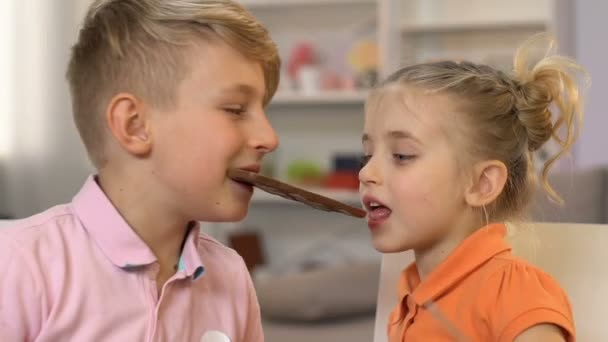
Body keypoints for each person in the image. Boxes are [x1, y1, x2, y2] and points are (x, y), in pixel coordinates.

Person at [0, 1, 280, 341]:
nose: (268, 137)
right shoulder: (17, 264)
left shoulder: (231, 275)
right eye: (235, 109)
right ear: (134, 125)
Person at [359, 35, 587, 341]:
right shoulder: (409, 292)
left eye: (402, 155)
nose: (365, 172)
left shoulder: (514, 293)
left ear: (482, 184)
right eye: (367, 154)